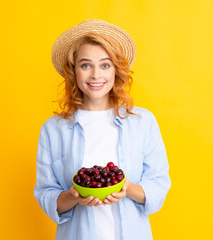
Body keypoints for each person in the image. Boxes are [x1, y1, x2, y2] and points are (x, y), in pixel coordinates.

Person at [34, 19, 171, 240]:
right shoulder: (53, 129)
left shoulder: (143, 122)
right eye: (86, 65)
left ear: (116, 71)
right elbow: (46, 194)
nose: (96, 75)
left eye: (105, 65)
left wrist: (127, 188)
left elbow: (159, 185)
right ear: (74, 71)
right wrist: (73, 196)